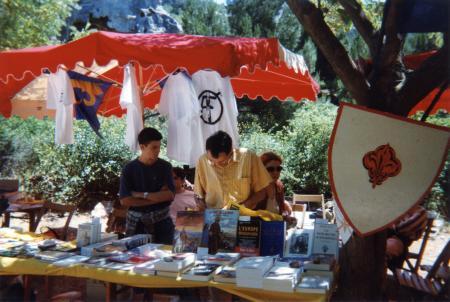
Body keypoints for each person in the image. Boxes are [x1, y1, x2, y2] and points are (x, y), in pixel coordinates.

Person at [119, 127, 175, 244]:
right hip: (137, 225)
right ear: (142, 147)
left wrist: (141, 195)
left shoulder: (165, 167)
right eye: (154, 147)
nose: (158, 150)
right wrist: (157, 197)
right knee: (135, 258)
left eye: (159, 147)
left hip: (162, 224)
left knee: (164, 257)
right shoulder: (129, 169)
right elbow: (125, 200)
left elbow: (170, 195)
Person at [194, 131, 273, 210]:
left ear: (231, 151)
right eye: (211, 160)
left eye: (221, 162)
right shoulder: (202, 161)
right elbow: (198, 195)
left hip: (243, 214)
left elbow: (261, 192)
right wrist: (201, 205)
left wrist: (239, 208)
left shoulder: (249, 158)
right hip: (214, 215)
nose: (216, 164)